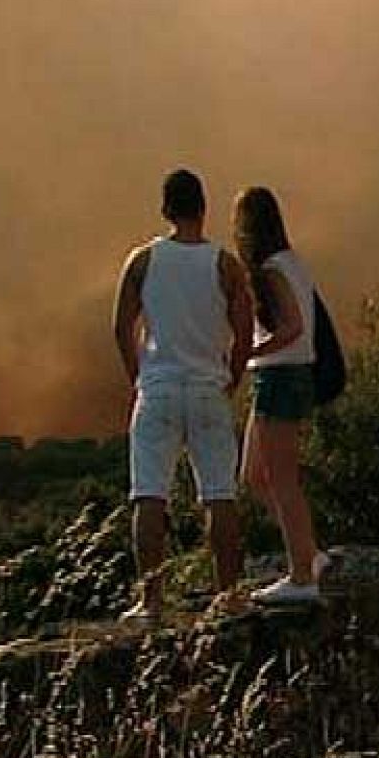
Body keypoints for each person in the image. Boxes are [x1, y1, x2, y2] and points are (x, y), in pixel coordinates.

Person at [112, 169, 254, 623]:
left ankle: (151, 603)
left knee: (149, 494)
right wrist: (231, 377)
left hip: (158, 390)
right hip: (208, 388)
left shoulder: (143, 261)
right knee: (220, 494)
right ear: (203, 208)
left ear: (166, 209)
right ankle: (228, 596)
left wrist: (139, 376)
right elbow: (245, 331)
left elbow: (121, 326)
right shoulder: (224, 264)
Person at [233, 186, 330, 605]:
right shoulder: (291, 263)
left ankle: (302, 577)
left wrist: (246, 353)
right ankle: (309, 555)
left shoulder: (272, 269)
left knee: (281, 480)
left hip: (279, 378)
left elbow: (290, 328)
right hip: (280, 378)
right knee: (254, 476)